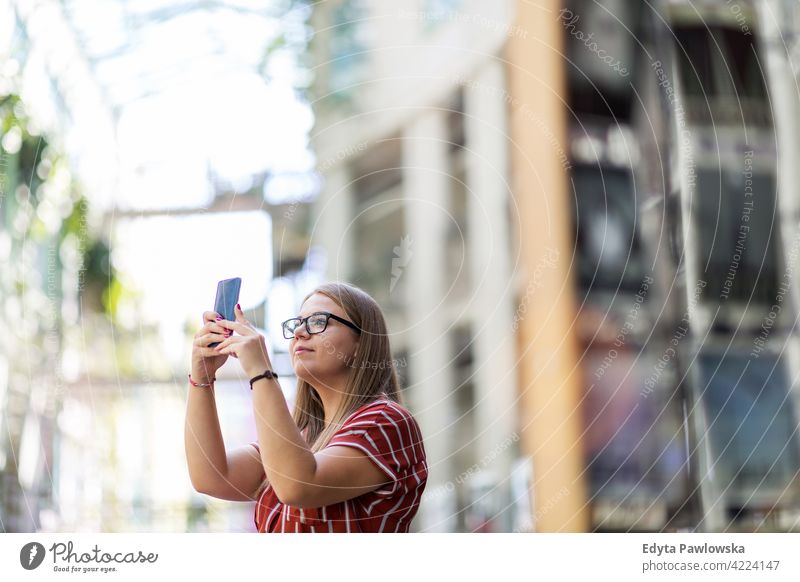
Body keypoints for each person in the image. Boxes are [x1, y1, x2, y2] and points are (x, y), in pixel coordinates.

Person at [185, 281, 428, 532]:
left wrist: (261, 371)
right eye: (298, 323)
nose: (300, 332)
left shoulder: (386, 421)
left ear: (360, 344)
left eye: (318, 321)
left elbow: (297, 485)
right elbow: (211, 476)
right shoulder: (301, 437)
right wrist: (201, 375)